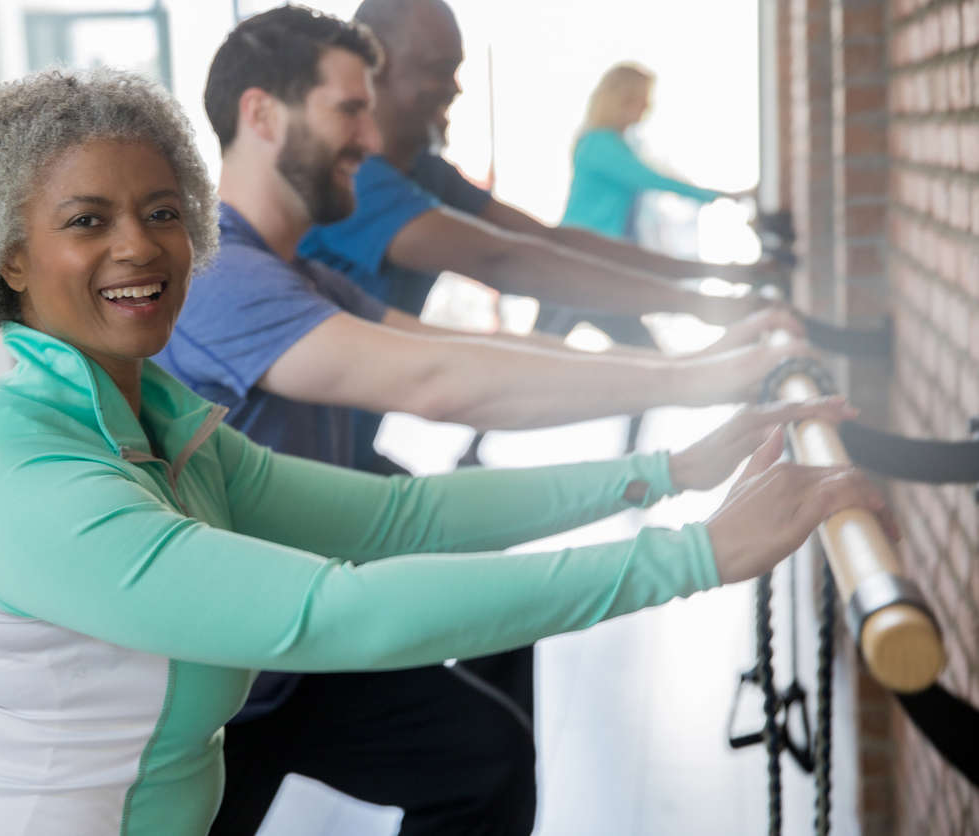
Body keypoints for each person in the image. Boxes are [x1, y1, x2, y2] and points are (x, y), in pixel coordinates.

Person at [0, 68, 892, 836]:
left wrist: (668, 470)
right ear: (10, 255)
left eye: (159, 214)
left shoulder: (164, 423)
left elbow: (396, 517)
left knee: (482, 750)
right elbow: (335, 608)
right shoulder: (30, 476)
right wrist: (695, 554)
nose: (140, 247)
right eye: (86, 222)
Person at [158, 8, 836, 835]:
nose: (371, 140)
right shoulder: (219, 276)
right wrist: (701, 374)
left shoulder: (302, 276)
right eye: (349, 110)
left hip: (286, 650)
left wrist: (698, 386)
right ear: (261, 113)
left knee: (483, 760)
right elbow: (444, 380)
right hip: (201, 693)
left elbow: (461, 355)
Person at [297, 0, 786, 471]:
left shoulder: (424, 172)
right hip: (308, 465)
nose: (455, 87)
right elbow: (502, 261)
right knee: (541, 366)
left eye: (455, 69)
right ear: (372, 66)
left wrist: (724, 280)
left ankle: (644, 465)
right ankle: (647, 465)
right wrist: (707, 316)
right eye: (437, 67)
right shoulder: (357, 185)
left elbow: (549, 241)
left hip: (352, 453)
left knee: (546, 360)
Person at [562, 62, 737, 240]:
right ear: (623, 100)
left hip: (607, 244)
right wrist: (713, 195)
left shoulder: (620, 143)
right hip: (584, 245)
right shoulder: (599, 144)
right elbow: (653, 178)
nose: (647, 106)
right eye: (642, 98)